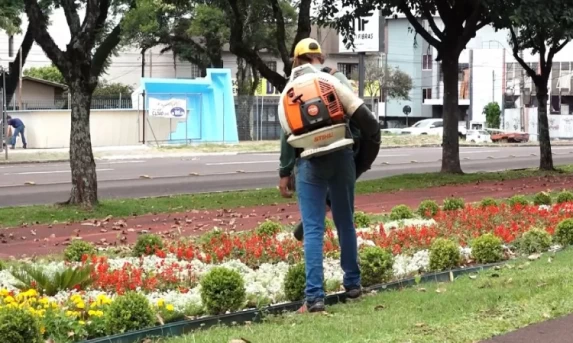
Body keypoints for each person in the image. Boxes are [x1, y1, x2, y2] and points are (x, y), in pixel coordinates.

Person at [278, 38, 381, 313]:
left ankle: (315, 297)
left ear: (296, 60)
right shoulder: (330, 83)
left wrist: (284, 173)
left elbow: (287, 136)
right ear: (317, 58)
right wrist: (366, 149)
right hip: (342, 155)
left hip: (310, 162)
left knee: (312, 229)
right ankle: (353, 285)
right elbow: (364, 117)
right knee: (345, 222)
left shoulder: (286, 93)